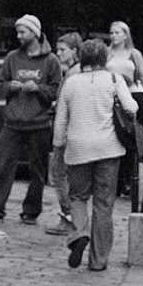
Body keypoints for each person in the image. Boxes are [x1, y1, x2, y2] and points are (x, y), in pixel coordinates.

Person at [52, 39, 137, 270]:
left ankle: (79, 233)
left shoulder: (70, 83)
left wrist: (58, 149)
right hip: (109, 149)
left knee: (78, 197)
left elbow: (60, 121)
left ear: (83, 58)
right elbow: (131, 107)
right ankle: (99, 260)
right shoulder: (113, 79)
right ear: (105, 59)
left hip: (78, 148)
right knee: (104, 203)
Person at [0, 15, 63, 223]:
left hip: (39, 123)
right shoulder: (11, 58)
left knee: (37, 172)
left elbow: (56, 91)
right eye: (17, 32)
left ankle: (31, 211)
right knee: (2, 167)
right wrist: (10, 87)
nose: (18, 36)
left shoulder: (51, 61)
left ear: (35, 33)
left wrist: (38, 88)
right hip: (12, 123)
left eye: (23, 32)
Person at [107, 22, 143, 193]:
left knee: (134, 136)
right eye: (111, 32)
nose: (113, 35)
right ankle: (118, 179)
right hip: (113, 98)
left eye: (117, 32)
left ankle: (132, 176)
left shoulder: (134, 54)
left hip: (133, 95)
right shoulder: (107, 53)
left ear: (125, 35)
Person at [46, 33, 83, 237]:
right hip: (70, 128)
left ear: (75, 50)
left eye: (63, 50)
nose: (58, 53)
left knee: (58, 174)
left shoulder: (74, 73)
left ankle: (70, 217)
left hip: (67, 130)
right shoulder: (72, 71)